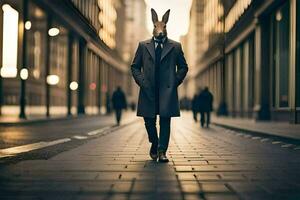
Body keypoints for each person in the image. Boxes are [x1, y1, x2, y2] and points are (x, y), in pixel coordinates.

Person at [131, 9, 188, 162]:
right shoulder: (143, 46)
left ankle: (162, 151)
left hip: (166, 91)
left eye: (163, 27)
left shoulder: (175, 46)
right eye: (157, 26)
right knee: (149, 121)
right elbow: (135, 66)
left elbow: (183, 67)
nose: (160, 31)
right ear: (153, 26)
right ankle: (155, 143)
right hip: (148, 89)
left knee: (165, 121)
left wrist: (174, 82)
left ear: (166, 26)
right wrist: (142, 82)